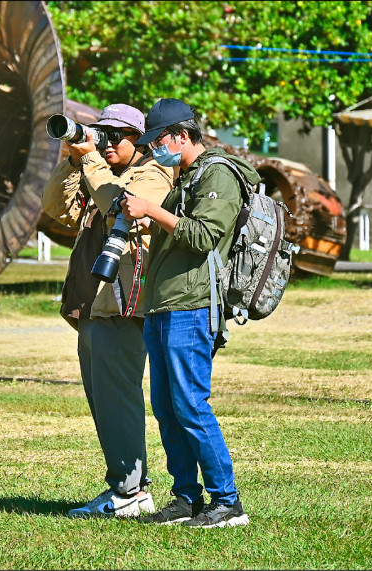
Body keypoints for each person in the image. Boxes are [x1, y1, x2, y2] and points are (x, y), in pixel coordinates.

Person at [119, 98, 260, 528]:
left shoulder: (219, 173)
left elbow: (203, 236)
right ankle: (186, 498)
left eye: (159, 141)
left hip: (194, 305)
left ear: (181, 136)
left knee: (190, 404)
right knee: (166, 406)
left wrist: (150, 211)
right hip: (165, 303)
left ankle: (227, 501)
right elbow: (180, 231)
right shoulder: (189, 176)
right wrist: (150, 222)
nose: (153, 150)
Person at [41, 104, 173, 517]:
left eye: (117, 134)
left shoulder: (153, 173)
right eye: (103, 132)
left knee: (119, 398)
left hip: (122, 306)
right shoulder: (95, 166)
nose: (108, 141)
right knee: (103, 399)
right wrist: (73, 158)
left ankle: (130, 492)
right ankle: (126, 486)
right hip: (92, 304)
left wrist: (92, 160)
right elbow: (54, 207)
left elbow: (116, 203)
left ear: (140, 138)